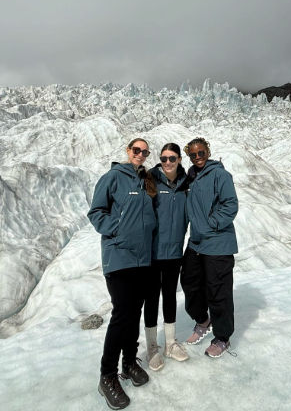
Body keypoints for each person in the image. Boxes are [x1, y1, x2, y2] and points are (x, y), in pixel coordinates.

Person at [87, 138, 157, 410]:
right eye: (136, 150)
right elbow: (96, 212)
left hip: (142, 260)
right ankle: (107, 375)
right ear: (128, 151)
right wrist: (117, 228)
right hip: (119, 257)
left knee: (134, 312)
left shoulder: (146, 181)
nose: (140, 154)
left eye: (144, 151)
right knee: (122, 314)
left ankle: (129, 362)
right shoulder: (113, 177)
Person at [180, 137, 239, 358]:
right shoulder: (191, 178)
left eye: (201, 153)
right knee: (190, 283)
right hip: (196, 242)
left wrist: (210, 224)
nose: (197, 158)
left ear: (208, 151)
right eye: (193, 155)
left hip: (218, 243)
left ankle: (222, 337)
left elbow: (230, 204)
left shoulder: (220, 175)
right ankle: (203, 320)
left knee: (218, 291)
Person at [142, 143, 191, 371]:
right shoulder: (151, 179)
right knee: (151, 298)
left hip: (174, 252)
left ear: (180, 159)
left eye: (172, 158)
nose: (168, 163)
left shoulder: (185, 183)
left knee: (170, 295)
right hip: (152, 252)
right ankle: (152, 346)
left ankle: (170, 343)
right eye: (164, 158)